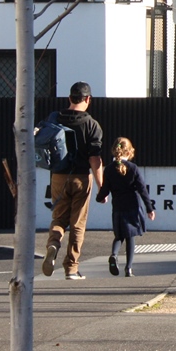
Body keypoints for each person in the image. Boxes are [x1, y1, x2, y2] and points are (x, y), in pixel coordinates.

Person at [42, 81, 104, 280]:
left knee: (59, 218)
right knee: (77, 223)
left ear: (69, 98)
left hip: (58, 176)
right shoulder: (91, 124)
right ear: (88, 99)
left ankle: (53, 243)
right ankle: (71, 268)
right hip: (81, 177)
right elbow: (95, 158)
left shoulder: (56, 119)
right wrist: (101, 187)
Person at [96, 137, 156, 278]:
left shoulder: (109, 170)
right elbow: (142, 189)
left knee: (119, 236)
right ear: (128, 152)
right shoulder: (133, 168)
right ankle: (128, 269)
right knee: (130, 237)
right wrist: (149, 208)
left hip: (117, 207)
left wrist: (100, 198)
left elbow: (105, 189)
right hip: (132, 207)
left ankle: (114, 254)